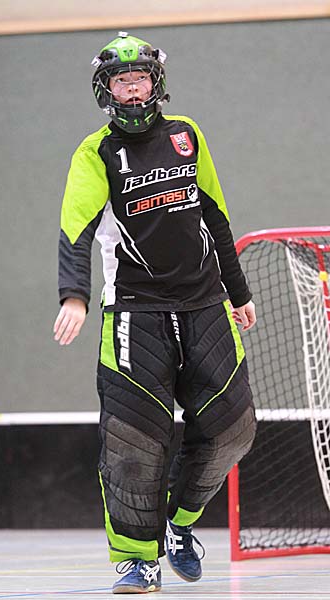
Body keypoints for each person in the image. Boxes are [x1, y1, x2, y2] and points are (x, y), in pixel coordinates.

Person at [53, 32, 257, 594]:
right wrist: (74, 295)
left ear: (155, 82)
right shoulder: (95, 153)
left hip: (206, 302)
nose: (133, 89)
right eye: (122, 81)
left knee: (234, 429)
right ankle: (137, 560)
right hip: (134, 312)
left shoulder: (187, 135)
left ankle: (180, 524)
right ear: (107, 90)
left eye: (140, 78)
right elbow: (75, 230)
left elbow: (215, 214)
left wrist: (238, 292)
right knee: (133, 444)